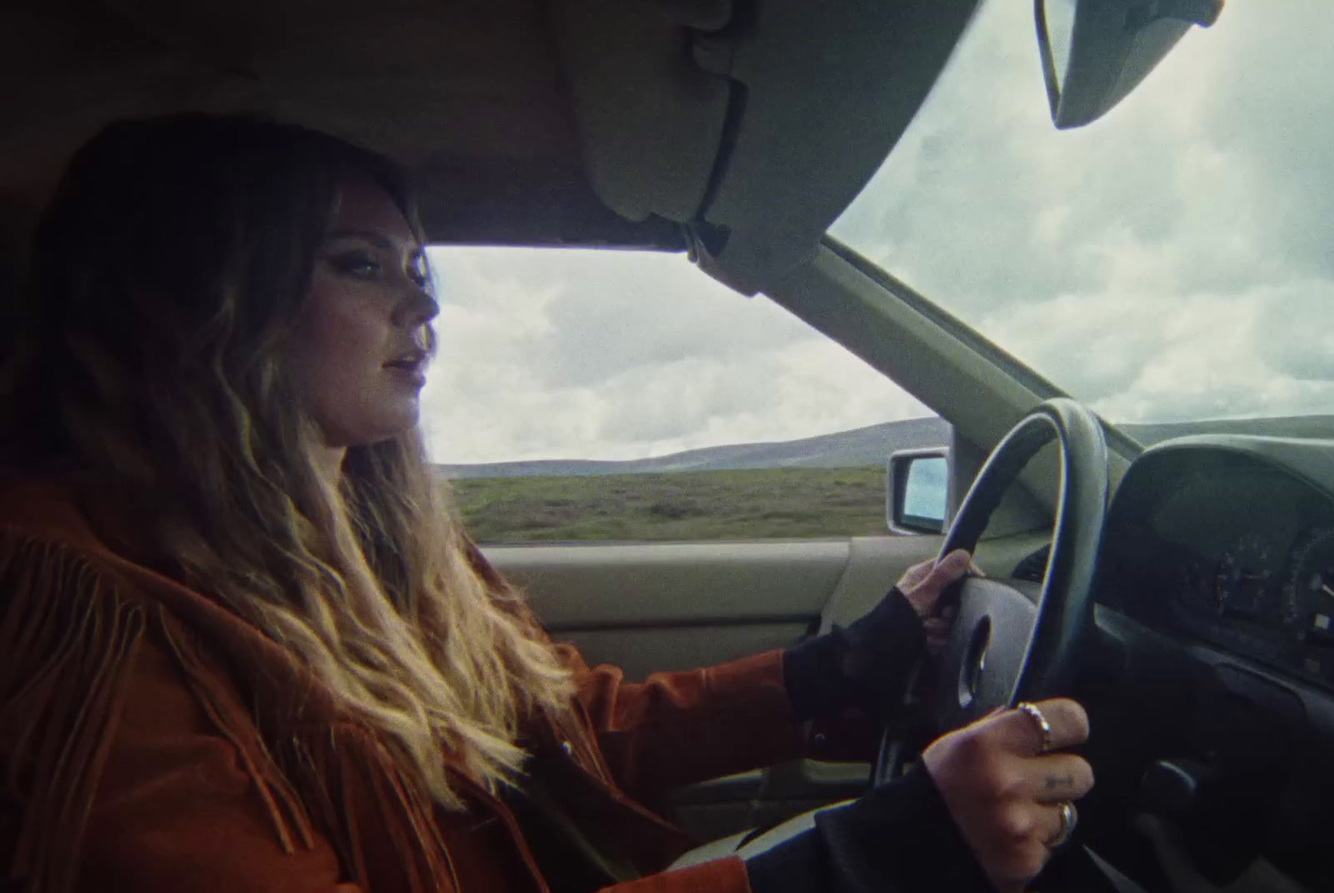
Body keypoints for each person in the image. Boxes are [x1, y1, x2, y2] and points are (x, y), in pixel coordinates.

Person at [0, 114, 1094, 893]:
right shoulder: (69, 607)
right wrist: (861, 858)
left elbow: (568, 736)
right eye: (359, 263)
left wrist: (843, 662)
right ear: (206, 300)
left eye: (421, 265)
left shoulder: (380, 545)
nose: (423, 300)